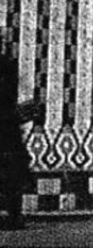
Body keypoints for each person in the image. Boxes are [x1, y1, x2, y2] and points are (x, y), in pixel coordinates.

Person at [0, 45, 34, 230]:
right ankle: (13, 214)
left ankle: (13, 214)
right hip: (8, 128)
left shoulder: (7, 65)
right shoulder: (8, 65)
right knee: (12, 171)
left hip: (7, 128)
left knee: (11, 171)